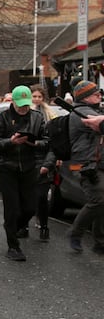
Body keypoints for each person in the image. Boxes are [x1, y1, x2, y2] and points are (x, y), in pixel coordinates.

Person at [0, 85, 47, 261]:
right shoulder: (2, 117)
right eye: (20, 104)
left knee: (30, 207)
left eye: (26, 105)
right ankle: (13, 246)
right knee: (12, 208)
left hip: (29, 167)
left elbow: (47, 140)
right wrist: (10, 142)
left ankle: (18, 226)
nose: (23, 108)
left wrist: (35, 144)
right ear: (13, 101)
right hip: (7, 167)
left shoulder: (37, 117)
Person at [66, 80, 104, 253]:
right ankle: (75, 233)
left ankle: (100, 241)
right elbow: (98, 125)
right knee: (98, 199)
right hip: (86, 165)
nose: (99, 95)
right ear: (85, 97)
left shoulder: (95, 110)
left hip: (98, 163)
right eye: (95, 94)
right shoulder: (82, 112)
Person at [31, 85, 57, 241]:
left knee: (42, 196)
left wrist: (51, 161)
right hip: (30, 161)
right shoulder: (27, 113)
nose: (37, 99)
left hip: (45, 158)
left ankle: (43, 222)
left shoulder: (50, 115)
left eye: (39, 97)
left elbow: (53, 141)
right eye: (34, 96)